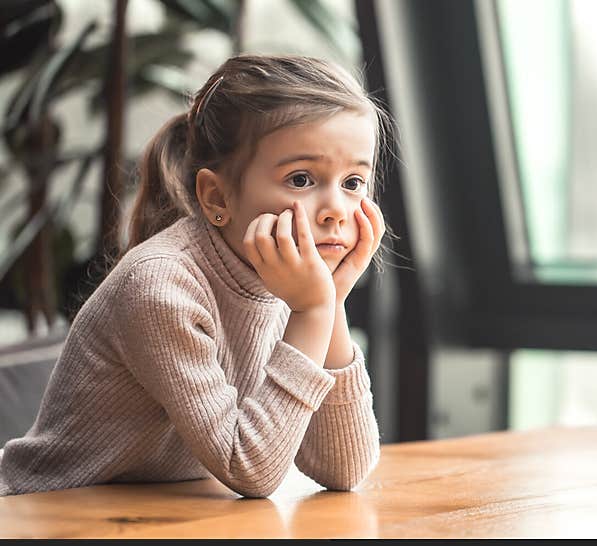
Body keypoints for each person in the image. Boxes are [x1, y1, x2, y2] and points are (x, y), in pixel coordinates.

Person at [0, 55, 395, 498]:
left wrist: (331, 303)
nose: (336, 211)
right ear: (215, 196)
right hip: (45, 515)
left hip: (163, 516)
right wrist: (314, 310)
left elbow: (344, 468)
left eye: (354, 183)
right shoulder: (161, 287)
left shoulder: (291, 283)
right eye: (301, 179)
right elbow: (249, 470)